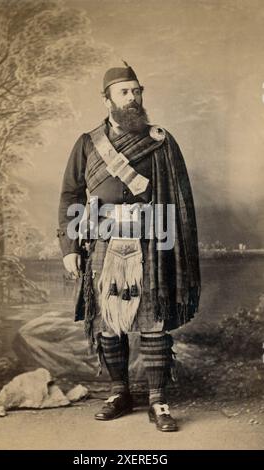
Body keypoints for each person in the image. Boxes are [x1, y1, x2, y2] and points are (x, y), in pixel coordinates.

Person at [58, 62, 201, 432]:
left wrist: (174, 248)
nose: (134, 97)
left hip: (151, 240)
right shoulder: (88, 143)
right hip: (104, 240)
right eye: (125, 92)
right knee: (109, 320)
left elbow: (179, 198)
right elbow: (70, 195)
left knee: (152, 319)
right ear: (106, 99)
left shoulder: (160, 141)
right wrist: (70, 247)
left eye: (137, 91)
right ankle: (118, 392)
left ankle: (158, 400)